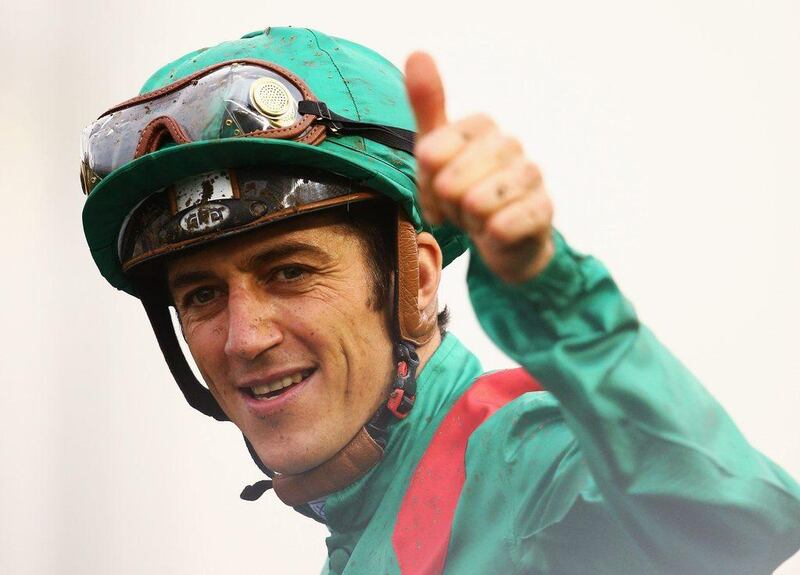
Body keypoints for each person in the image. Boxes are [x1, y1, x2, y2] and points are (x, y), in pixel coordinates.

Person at [79, 26, 800, 574]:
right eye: (202, 293)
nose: (243, 337)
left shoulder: (528, 468)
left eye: (290, 271)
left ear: (418, 280)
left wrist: (551, 286)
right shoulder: (362, 523)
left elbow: (736, 521)